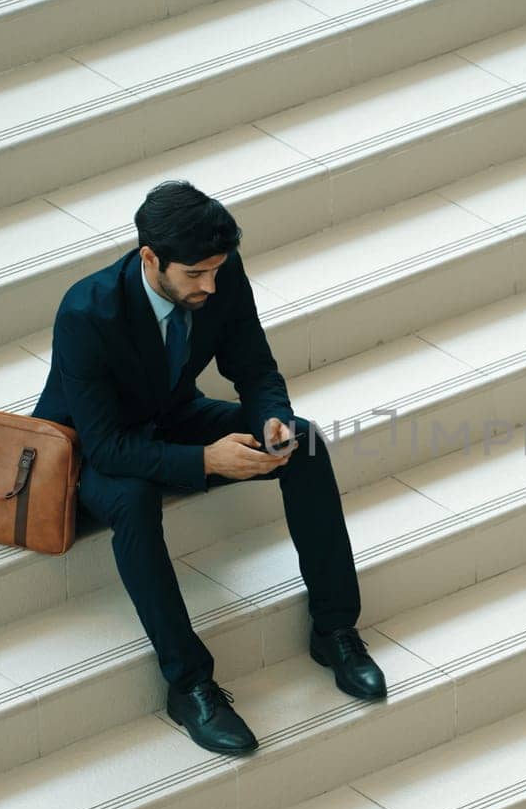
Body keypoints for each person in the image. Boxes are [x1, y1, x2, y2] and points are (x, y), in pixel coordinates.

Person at [31, 179, 384, 755]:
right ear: (151, 258)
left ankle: (335, 630)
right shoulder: (86, 311)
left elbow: (254, 366)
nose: (209, 285)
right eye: (195, 275)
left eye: (216, 271)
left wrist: (272, 419)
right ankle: (189, 685)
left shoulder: (218, 271)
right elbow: (109, 446)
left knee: (306, 445)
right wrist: (205, 460)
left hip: (172, 411)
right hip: (92, 448)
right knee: (136, 502)